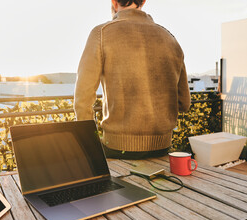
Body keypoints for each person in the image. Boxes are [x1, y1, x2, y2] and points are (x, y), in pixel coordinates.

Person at [74, 0, 191, 159]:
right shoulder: (169, 38)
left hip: (117, 148)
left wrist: (91, 140)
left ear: (114, 2)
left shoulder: (101, 33)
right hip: (163, 147)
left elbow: (83, 97)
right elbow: (184, 103)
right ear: (143, 2)